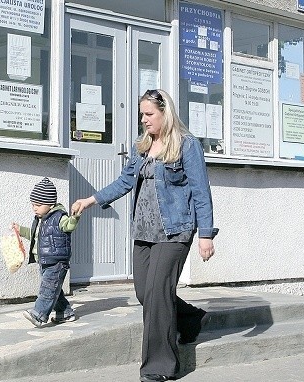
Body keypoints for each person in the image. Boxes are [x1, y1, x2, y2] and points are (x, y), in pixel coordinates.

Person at [71, 89, 219, 381]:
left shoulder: (187, 147)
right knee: (145, 293)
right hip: (144, 231)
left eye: (149, 114)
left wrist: (206, 234)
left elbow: (201, 192)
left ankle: (159, 367)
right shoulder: (142, 147)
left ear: (166, 113)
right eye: (142, 114)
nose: (144, 120)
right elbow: (124, 182)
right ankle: (190, 320)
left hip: (175, 231)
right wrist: (91, 200)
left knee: (157, 293)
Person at [13, 177, 81, 328]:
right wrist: (20, 230)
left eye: (38, 205)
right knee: (54, 288)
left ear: (50, 204)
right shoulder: (41, 219)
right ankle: (65, 312)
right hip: (44, 261)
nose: (34, 208)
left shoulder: (60, 217)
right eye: (33, 205)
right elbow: (34, 235)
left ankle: (39, 315)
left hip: (57, 262)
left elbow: (69, 226)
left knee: (47, 290)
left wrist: (75, 216)